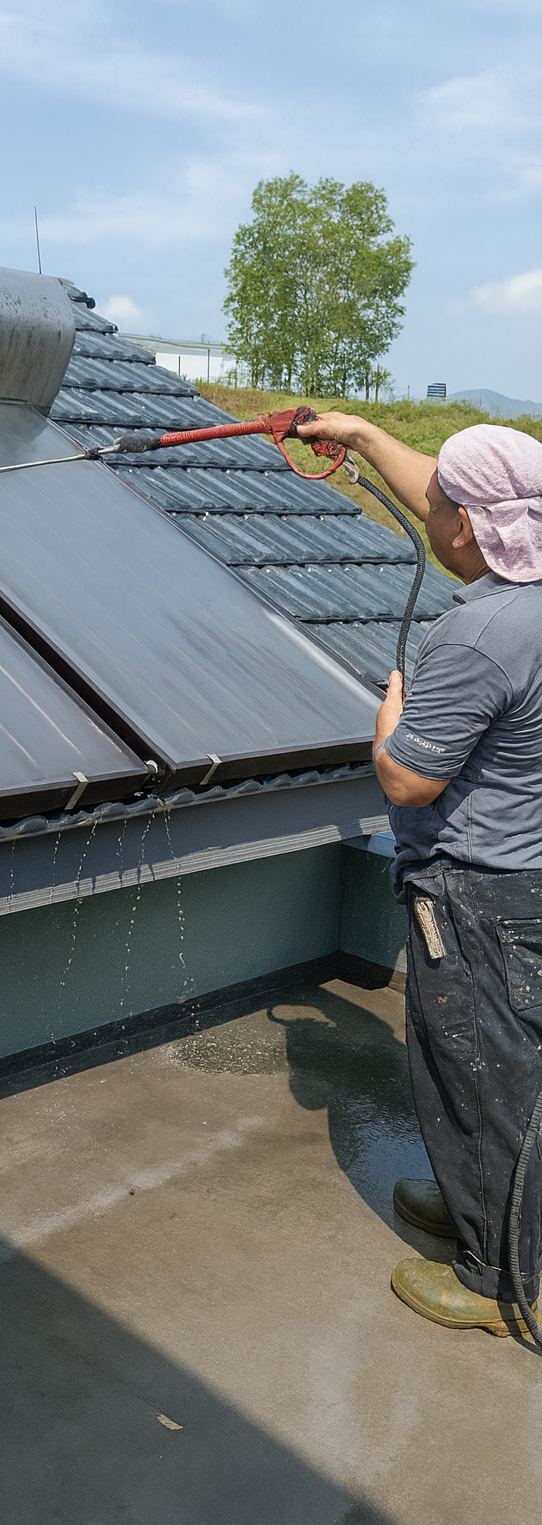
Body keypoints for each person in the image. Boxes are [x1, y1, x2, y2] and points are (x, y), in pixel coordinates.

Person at [301, 411, 542, 1337]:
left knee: (475, 1075)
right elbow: (457, 503)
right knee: (517, 1069)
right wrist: (360, 436)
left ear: (470, 526)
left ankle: (494, 1283)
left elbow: (409, 776)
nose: (430, 500)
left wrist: (388, 722)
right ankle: (492, 1208)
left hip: (478, 895)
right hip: (530, 881)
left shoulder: (476, 637)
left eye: (441, 498)